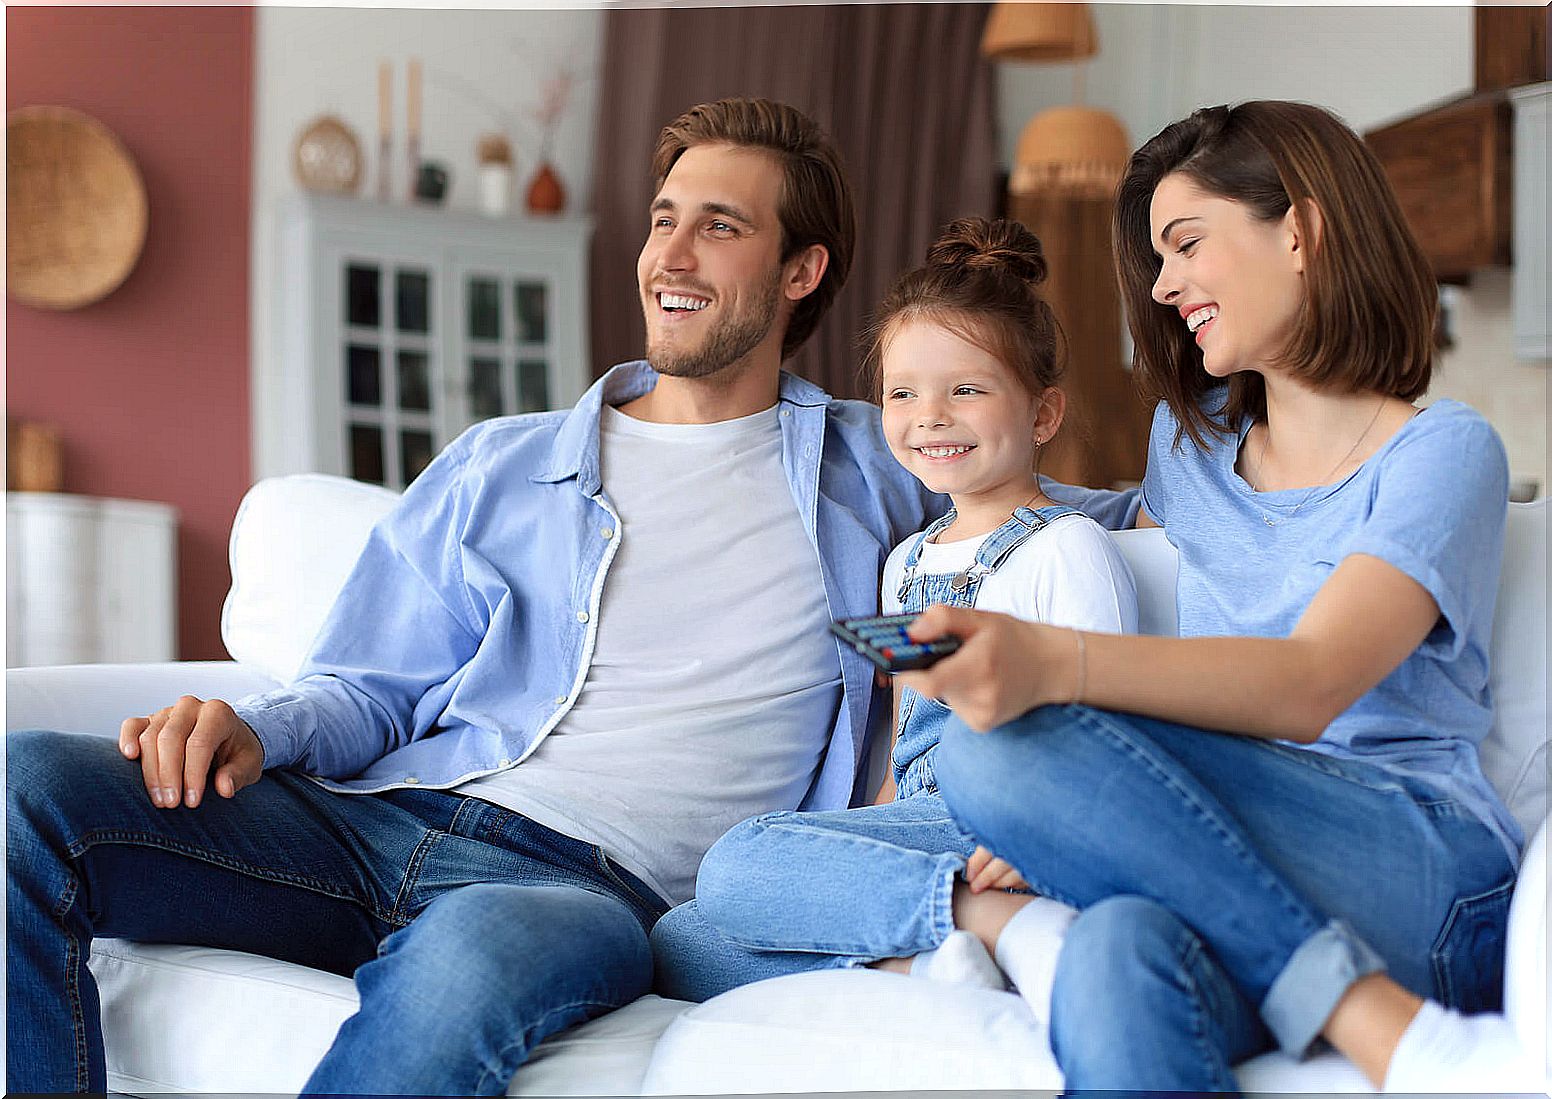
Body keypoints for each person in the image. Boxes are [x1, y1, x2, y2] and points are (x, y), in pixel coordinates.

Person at [7, 97, 956, 1096]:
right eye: (663, 218)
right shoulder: (504, 463)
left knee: (466, 968)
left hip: (580, 888)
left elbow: (1070, 506)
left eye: (719, 227)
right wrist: (254, 726)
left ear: (800, 271)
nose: (669, 257)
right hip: (373, 821)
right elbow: (368, 688)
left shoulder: (882, 466)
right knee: (22, 789)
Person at [897, 101, 1521, 1094]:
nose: (1163, 283)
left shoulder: (1442, 453)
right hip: (1233, 871)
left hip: (1418, 867)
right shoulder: (1190, 451)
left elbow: (1310, 682)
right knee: (1111, 952)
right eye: (1156, 256)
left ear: (1301, 231)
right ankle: (1354, 1009)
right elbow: (1052, 508)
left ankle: (1385, 1024)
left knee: (995, 745)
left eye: (1185, 243)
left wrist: (1049, 666)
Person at [650, 216, 1137, 1004]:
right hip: (920, 826)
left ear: (1043, 415)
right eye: (903, 393)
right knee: (679, 938)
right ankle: (924, 966)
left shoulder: (1067, 548)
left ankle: (993, 923)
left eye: (967, 390)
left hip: (1009, 834)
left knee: (738, 860)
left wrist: (1042, 839)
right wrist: (863, 830)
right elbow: (904, 747)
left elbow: (1112, 729)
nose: (930, 415)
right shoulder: (906, 562)